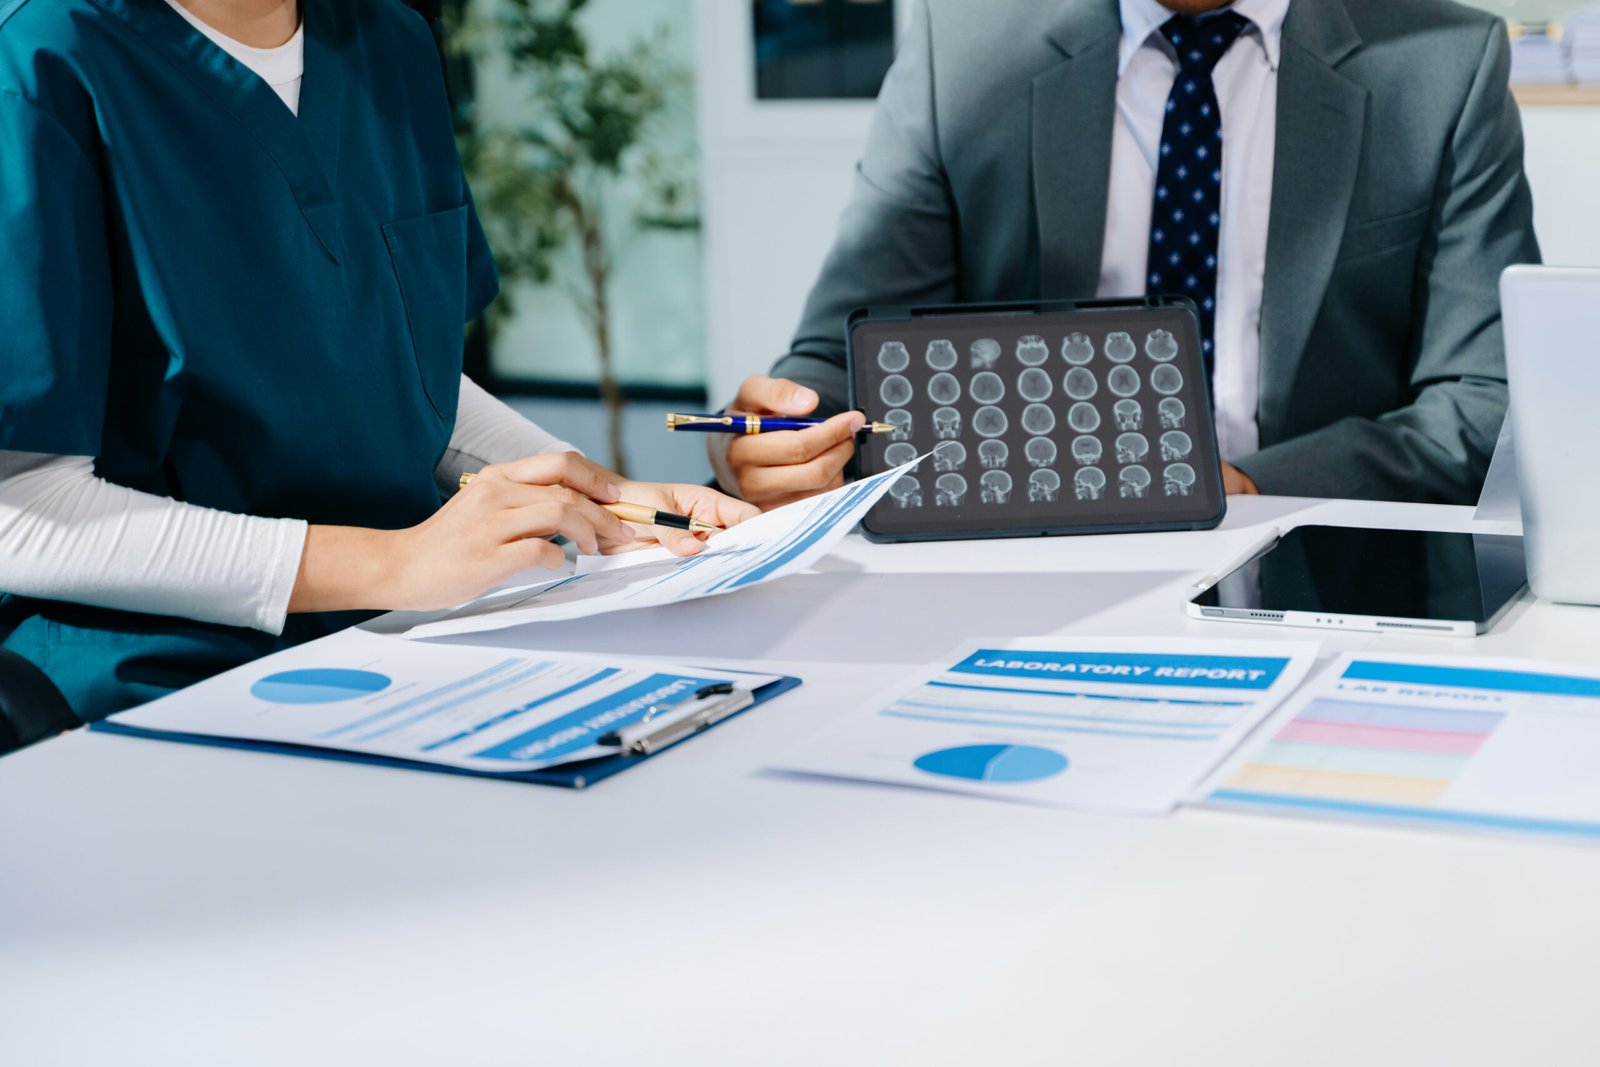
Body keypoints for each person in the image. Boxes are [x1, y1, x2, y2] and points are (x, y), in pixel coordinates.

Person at [0, 0, 755, 734]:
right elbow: (20, 515)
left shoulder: (388, 41)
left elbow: (400, 371)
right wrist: (396, 561)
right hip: (163, 679)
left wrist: (609, 499)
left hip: (408, 641)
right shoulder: (41, 63)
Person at [713, 0, 1541, 509]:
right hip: (1014, 562)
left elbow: (1483, 401)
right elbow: (844, 354)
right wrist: (779, 437)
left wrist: (1245, 486)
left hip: (1322, 577)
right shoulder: (963, 49)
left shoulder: (1444, 64)